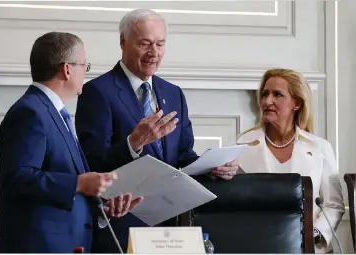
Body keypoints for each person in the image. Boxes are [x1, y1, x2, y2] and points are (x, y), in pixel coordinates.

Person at [75, 9, 239, 253]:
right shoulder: (97, 92)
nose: (154, 53)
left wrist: (213, 167)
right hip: (123, 223)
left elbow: (183, 155)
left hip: (172, 224)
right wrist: (134, 143)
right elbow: (92, 161)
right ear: (123, 41)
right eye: (145, 43)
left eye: (160, 44)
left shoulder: (173, 93)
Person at [0, 32, 143, 253]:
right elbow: (17, 178)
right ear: (67, 69)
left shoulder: (53, 111)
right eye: (85, 65)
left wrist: (102, 211)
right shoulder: (30, 112)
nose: (86, 73)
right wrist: (79, 183)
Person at [236, 68, 345, 253]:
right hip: (259, 246)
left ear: (296, 103)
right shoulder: (242, 145)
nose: (267, 101)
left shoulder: (320, 148)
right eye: (265, 94)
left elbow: (334, 204)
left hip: (309, 248)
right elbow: (236, 205)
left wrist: (314, 235)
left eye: (277, 95)